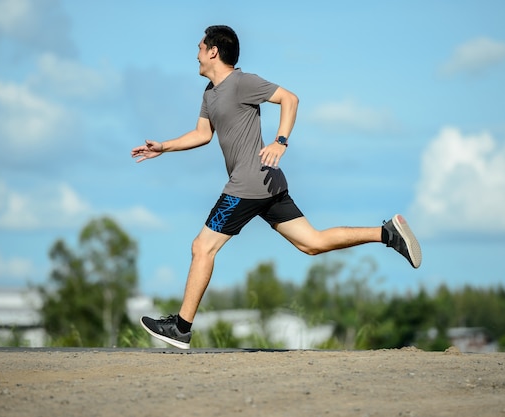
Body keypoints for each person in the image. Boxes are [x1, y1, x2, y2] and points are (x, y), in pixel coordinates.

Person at [132, 25, 422, 349]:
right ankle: (387, 233)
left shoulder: (242, 82)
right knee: (312, 243)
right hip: (266, 184)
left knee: (203, 247)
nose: (196, 54)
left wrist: (280, 141)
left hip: (249, 183)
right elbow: (202, 134)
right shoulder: (209, 94)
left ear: (214, 51)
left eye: (200, 48)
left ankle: (181, 328)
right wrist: (163, 147)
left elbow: (290, 99)